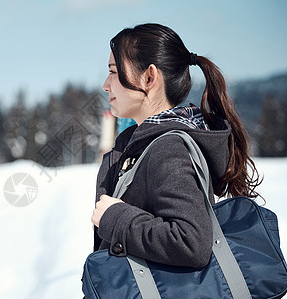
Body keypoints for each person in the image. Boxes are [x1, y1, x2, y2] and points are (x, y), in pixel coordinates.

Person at [91, 23, 261, 268]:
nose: (106, 85)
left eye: (114, 72)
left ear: (149, 77)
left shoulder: (168, 149)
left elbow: (191, 242)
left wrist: (116, 219)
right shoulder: (141, 144)